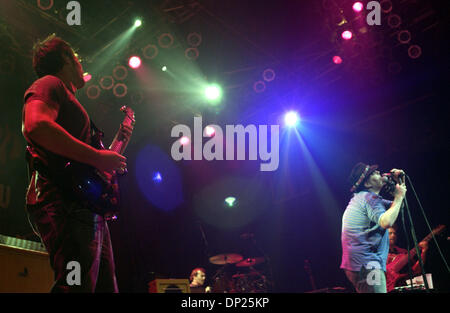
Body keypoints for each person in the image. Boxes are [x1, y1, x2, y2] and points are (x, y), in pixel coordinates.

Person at [21, 34, 132, 292]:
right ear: (65, 59)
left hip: (83, 203)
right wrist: (97, 157)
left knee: (103, 287)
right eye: (78, 59)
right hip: (63, 199)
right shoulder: (49, 84)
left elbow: (92, 165)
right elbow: (36, 125)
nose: (82, 65)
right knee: (76, 286)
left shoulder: (69, 102)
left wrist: (115, 147)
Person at [340, 162, 407, 293]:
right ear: (367, 184)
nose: (379, 172)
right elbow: (386, 222)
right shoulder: (369, 198)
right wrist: (398, 197)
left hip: (361, 264)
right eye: (373, 173)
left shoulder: (366, 198)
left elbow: (398, 207)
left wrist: (400, 183)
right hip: (368, 264)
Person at [386, 225, 429, 291]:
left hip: (400, 288)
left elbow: (417, 270)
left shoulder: (403, 253)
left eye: (395, 233)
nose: (393, 235)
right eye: (390, 233)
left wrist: (424, 252)